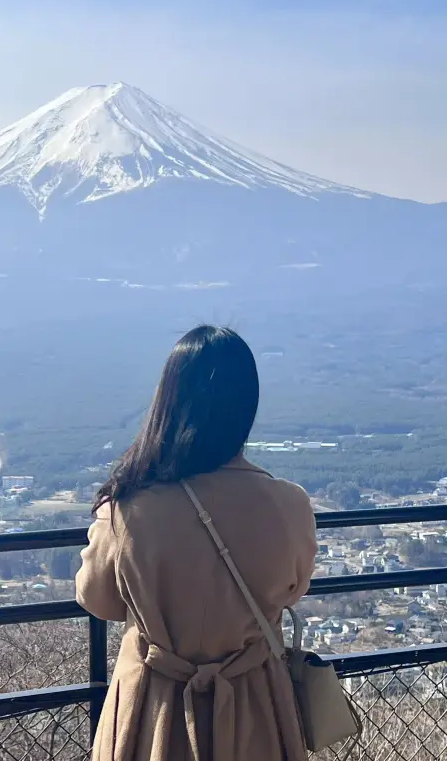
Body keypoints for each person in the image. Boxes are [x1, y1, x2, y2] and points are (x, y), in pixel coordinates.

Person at [75, 325, 317, 761]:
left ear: (168, 402)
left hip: (153, 709)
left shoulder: (128, 507)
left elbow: (98, 599)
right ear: (246, 407)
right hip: (257, 704)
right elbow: (293, 589)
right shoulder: (289, 504)